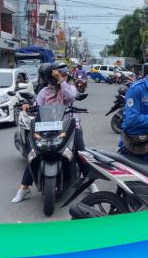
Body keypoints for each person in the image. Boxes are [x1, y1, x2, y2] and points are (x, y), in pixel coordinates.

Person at [11, 61, 87, 203]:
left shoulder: (68, 88)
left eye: (63, 75)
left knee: (81, 151)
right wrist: (28, 106)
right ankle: (24, 188)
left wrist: (61, 81)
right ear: (51, 77)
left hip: (69, 125)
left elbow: (71, 97)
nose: (63, 77)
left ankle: (90, 181)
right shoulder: (44, 92)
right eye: (60, 75)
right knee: (33, 153)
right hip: (46, 127)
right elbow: (36, 106)